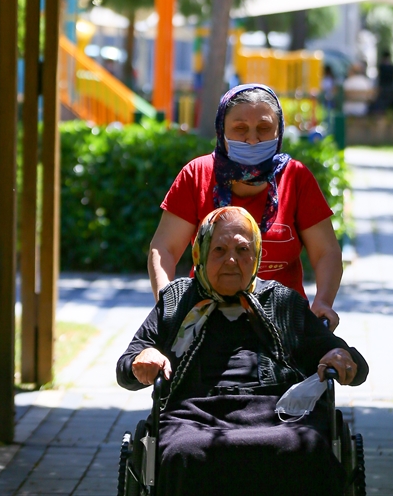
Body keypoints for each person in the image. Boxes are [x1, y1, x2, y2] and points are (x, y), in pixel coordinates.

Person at [118, 207, 368, 496]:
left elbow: (351, 362)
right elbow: (127, 367)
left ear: (257, 255)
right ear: (200, 252)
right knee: (183, 452)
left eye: (242, 249)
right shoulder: (177, 301)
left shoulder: (281, 301)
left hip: (278, 414)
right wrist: (143, 358)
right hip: (192, 415)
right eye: (220, 250)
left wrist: (342, 358)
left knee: (305, 446)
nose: (232, 260)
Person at [148, 84, 343, 327]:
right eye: (240, 129)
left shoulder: (296, 178)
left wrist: (323, 303)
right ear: (222, 131)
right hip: (204, 322)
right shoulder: (196, 175)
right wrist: (166, 302)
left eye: (264, 128)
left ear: (279, 131)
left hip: (283, 323)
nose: (252, 139)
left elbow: (326, 252)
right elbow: (164, 248)